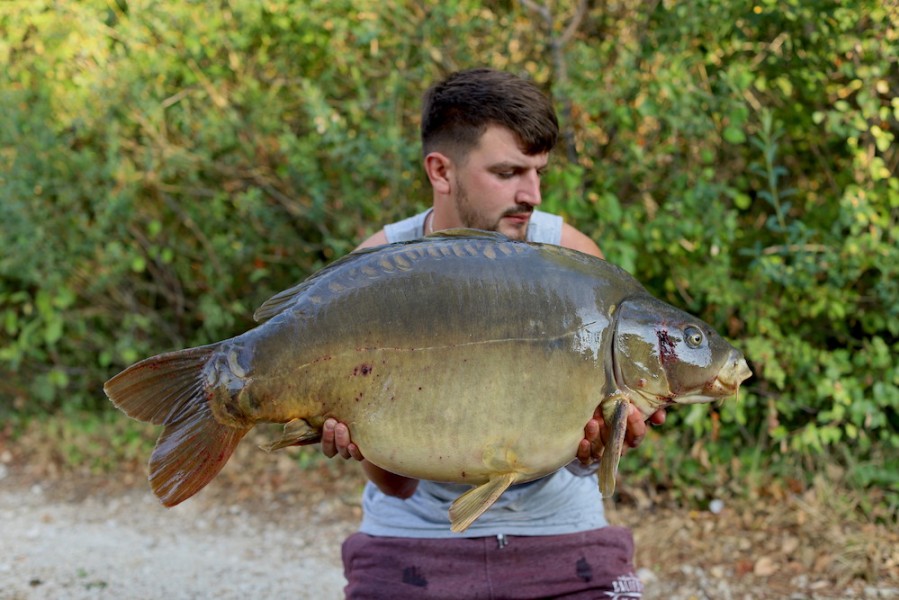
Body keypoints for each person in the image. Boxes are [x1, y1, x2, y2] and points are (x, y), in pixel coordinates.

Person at [321, 68, 666, 599]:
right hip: (415, 543)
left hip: (560, 537)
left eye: (538, 171)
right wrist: (359, 437)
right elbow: (398, 484)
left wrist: (600, 445)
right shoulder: (376, 274)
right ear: (441, 170)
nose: (531, 193)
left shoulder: (572, 262)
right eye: (508, 172)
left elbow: (582, 465)